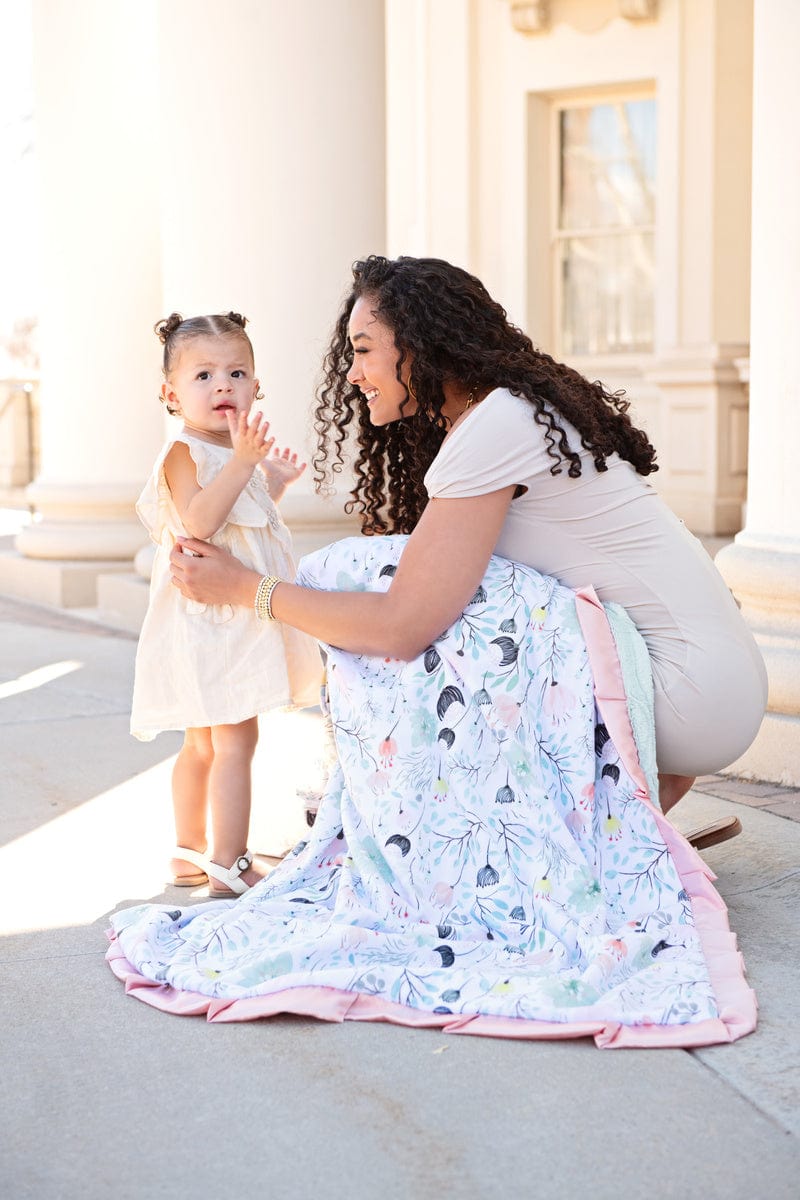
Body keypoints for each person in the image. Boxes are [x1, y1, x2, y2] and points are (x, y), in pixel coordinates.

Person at [107, 259, 764, 1046]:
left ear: (418, 345)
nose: (351, 374)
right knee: (420, 575)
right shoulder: (508, 412)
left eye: (363, 348)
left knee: (352, 574)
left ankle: (410, 827)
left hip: (681, 694)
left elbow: (401, 627)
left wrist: (248, 589)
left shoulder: (494, 425)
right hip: (700, 687)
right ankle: (438, 823)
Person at [130, 311, 321, 897]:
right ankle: (229, 863)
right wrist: (243, 464)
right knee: (232, 740)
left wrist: (273, 481)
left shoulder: (235, 453)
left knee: (206, 742)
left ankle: (190, 854)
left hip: (223, 618)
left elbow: (248, 522)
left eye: (236, 372)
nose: (222, 386)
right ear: (170, 393)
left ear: (256, 386)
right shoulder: (185, 453)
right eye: (203, 374)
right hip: (211, 622)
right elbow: (200, 521)